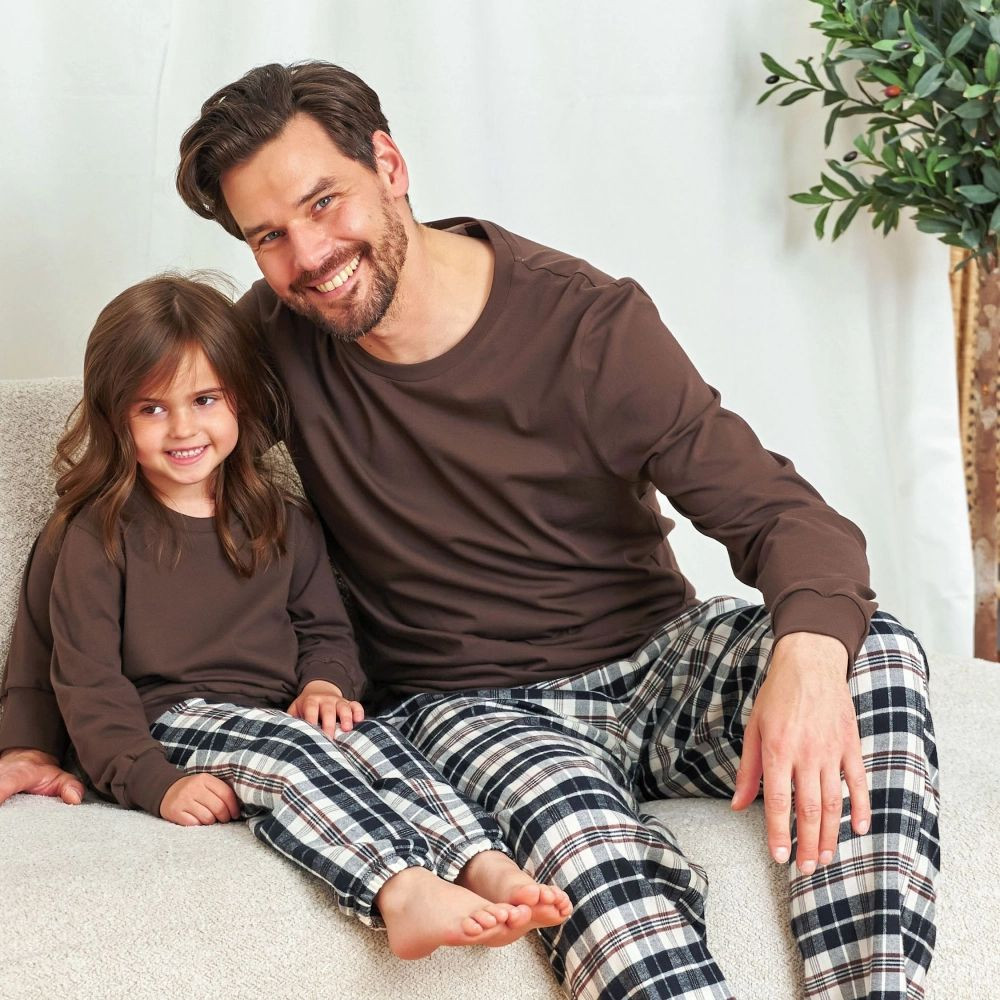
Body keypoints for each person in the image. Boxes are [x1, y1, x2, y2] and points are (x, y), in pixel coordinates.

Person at [0, 62, 939, 1000]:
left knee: (871, 652)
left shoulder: (587, 324)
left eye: (324, 203)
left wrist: (810, 655)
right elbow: (120, 488)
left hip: (657, 660)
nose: (310, 256)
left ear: (389, 165)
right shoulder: (273, 344)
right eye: (269, 237)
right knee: (582, 852)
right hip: (471, 706)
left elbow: (781, 512)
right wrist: (29, 733)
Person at [15, 272, 571, 961]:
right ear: (113, 416)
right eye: (151, 408)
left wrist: (324, 685)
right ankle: (400, 891)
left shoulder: (282, 520)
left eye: (204, 399)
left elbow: (325, 631)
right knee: (294, 754)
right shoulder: (97, 534)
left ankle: (479, 864)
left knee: (379, 745)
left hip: (273, 716)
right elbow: (85, 682)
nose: (183, 428)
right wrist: (155, 783)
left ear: (239, 398)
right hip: (165, 723)